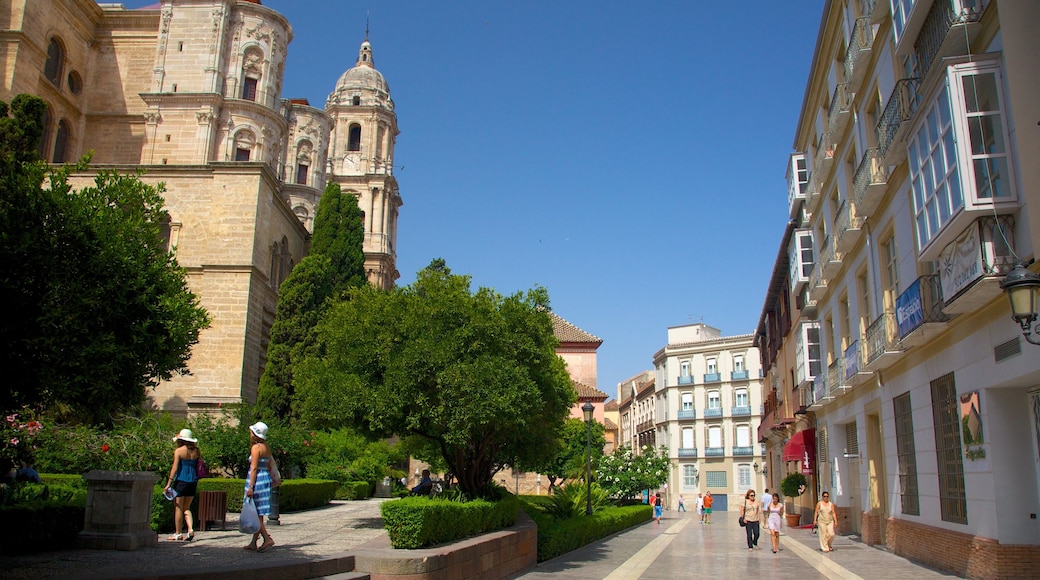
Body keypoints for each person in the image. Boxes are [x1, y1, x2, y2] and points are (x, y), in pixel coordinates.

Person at [243, 421, 275, 552]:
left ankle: (267, 538)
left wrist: (250, 486)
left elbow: (254, 467)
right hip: (265, 478)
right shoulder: (266, 447)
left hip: (257, 480)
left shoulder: (256, 448)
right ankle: (253, 542)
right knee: (259, 512)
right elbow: (268, 465)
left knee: (254, 511)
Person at [164, 429, 200, 541]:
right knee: (187, 508)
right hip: (193, 481)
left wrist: (168, 483)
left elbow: (174, 468)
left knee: (178, 507)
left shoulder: (179, 451)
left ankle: (178, 533)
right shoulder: (196, 451)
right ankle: (190, 529)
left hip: (181, 481)